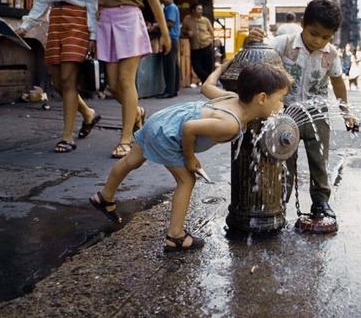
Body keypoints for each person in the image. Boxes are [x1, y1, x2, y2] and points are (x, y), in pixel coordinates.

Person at [89, 62, 291, 252]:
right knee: (187, 180)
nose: (283, 105)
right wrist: (189, 158)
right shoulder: (230, 124)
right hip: (169, 134)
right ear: (262, 98)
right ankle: (175, 236)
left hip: (162, 120)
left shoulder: (231, 97)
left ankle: (104, 196)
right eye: (281, 99)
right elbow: (189, 128)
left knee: (131, 161)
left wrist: (222, 67)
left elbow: (207, 86)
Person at [246, 0, 358, 221]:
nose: (318, 41)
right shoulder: (283, 43)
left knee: (319, 160)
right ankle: (280, 201)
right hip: (286, 112)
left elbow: (337, 82)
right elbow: (257, 55)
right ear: (303, 25)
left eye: (325, 37)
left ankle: (320, 202)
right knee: (284, 159)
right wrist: (250, 42)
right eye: (313, 33)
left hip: (317, 114)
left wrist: (346, 111)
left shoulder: (331, 54)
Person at [16, 0, 100, 153]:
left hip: (78, 22)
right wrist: (26, 25)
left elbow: (92, 5)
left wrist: (93, 35)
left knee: (68, 80)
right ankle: (88, 113)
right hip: (56, 21)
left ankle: (67, 137)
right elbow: (42, 1)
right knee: (57, 82)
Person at [93, 0, 171, 159]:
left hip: (130, 19)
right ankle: (136, 112)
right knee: (113, 85)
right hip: (106, 21)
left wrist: (165, 32)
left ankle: (126, 139)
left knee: (127, 81)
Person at [157, 0, 181, 98]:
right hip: (174, 38)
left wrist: (156, 27)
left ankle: (169, 91)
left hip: (170, 38)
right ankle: (173, 90)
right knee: (173, 65)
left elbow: (170, 23)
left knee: (169, 65)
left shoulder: (171, 8)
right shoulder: (171, 7)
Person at [182, 3, 214, 83]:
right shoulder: (187, 19)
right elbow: (182, 31)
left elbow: (211, 32)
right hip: (195, 47)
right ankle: (208, 80)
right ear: (193, 11)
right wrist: (187, 33)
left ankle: (206, 84)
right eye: (199, 9)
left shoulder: (205, 20)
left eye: (201, 9)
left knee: (208, 66)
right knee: (196, 67)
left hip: (206, 45)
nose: (201, 11)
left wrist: (211, 40)